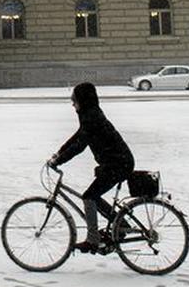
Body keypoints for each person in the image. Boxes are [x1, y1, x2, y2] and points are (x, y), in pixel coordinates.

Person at [47, 82, 134, 254]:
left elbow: (80, 145)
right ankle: (121, 224)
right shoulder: (90, 114)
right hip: (116, 162)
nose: (73, 104)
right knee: (93, 196)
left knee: (89, 196)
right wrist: (59, 152)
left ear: (83, 100)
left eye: (74, 100)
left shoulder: (91, 117)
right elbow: (78, 136)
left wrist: (59, 161)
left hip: (118, 164)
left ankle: (93, 240)